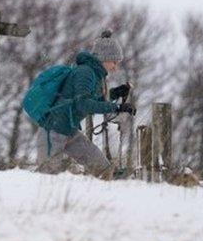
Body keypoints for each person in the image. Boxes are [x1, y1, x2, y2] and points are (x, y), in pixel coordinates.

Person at [31, 34, 135, 180]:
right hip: (53, 130)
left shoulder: (94, 75)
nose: (115, 67)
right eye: (114, 62)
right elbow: (83, 104)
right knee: (45, 178)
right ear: (104, 58)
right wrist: (116, 108)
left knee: (102, 168)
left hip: (68, 130)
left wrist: (116, 93)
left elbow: (96, 99)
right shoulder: (85, 72)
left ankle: (118, 187)